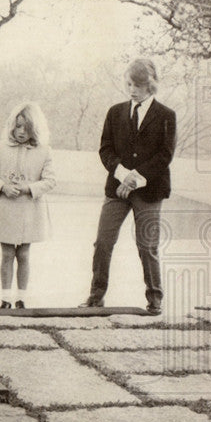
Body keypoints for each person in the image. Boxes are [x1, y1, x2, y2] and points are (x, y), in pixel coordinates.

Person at [80, 58, 176, 315]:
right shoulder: (115, 112)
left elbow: (164, 156)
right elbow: (105, 150)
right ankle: (95, 297)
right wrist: (123, 176)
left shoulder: (167, 116)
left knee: (147, 246)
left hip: (150, 190)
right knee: (103, 241)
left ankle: (155, 299)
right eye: (130, 83)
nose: (132, 89)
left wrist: (135, 179)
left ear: (151, 86)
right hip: (117, 189)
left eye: (139, 85)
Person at [0, 102, 56, 309]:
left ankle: (21, 298)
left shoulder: (44, 151)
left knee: (23, 254)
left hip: (29, 211)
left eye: (27, 128)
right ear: (12, 125)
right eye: (18, 126)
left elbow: (50, 181)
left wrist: (29, 188)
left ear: (35, 129)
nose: (21, 132)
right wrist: (3, 187)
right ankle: (5, 299)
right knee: (7, 254)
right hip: (5, 210)